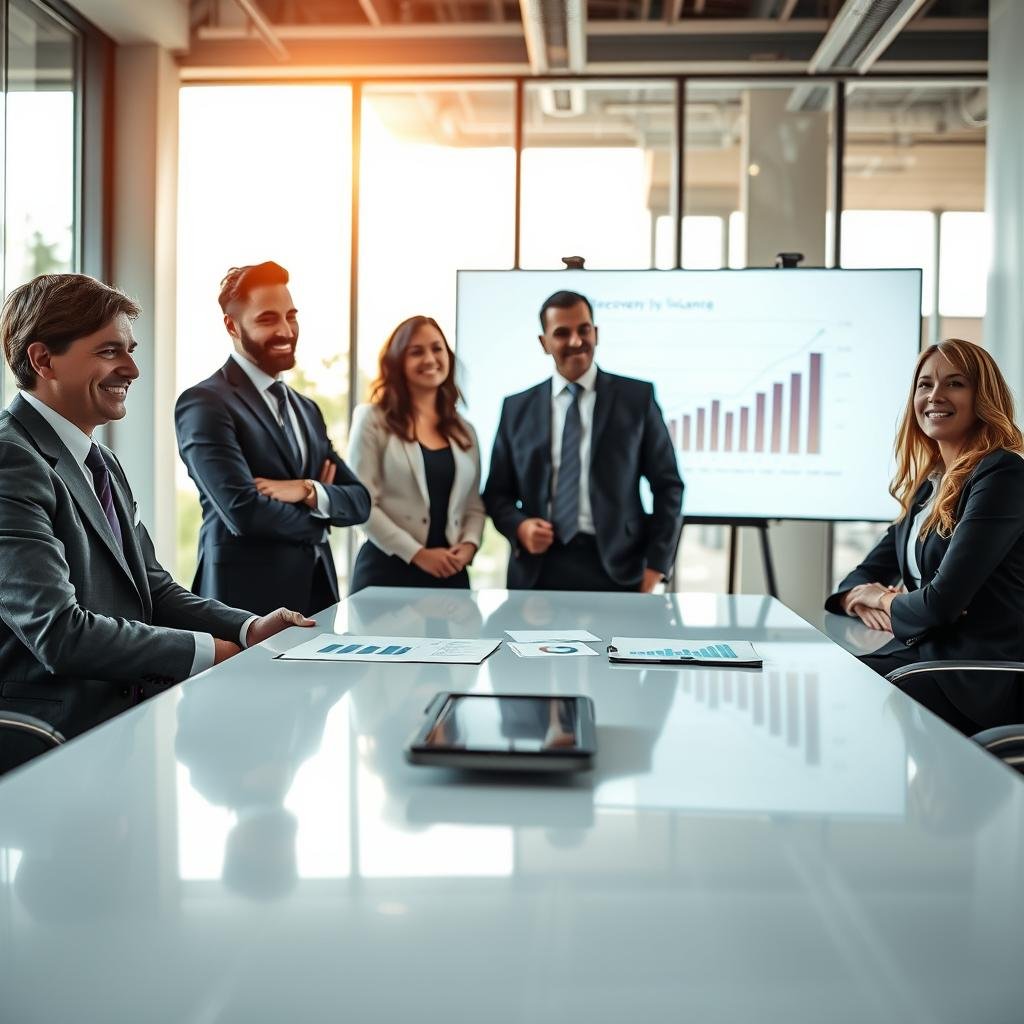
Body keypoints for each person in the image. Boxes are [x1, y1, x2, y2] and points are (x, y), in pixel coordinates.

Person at [0, 273, 313, 740]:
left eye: (130, 350)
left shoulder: (101, 461)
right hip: (48, 738)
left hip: (118, 726)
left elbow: (154, 589)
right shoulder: (11, 460)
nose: (132, 369)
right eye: (109, 351)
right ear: (43, 359)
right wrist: (213, 652)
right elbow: (59, 633)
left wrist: (249, 629)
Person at [825, 338, 1024, 734]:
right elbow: (859, 577)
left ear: (983, 397)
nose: (935, 395)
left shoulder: (1003, 475)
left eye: (955, 383)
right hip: (927, 657)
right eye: (924, 384)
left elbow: (938, 606)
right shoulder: (929, 485)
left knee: (837, 694)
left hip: (977, 677)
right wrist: (859, 597)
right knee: (822, 674)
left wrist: (884, 597)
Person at [175, 261, 370, 616]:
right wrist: (321, 517)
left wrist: (308, 490)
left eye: (291, 316)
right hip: (243, 607)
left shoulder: (306, 408)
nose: (286, 330)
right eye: (268, 319)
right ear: (232, 325)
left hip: (318, 599)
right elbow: (244, 512)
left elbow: (359, 501)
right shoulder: (204, 403)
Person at [483, 289, 683, 592]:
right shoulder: (516, 408)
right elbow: (497, 494)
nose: (576, 341)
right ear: (544, 343)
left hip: (620, 569)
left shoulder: (636, 399)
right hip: (538, 573)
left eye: (584, 330)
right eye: (562, 333)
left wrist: (657, 566)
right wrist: (520, 527)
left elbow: (668, 486)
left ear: (596, 333)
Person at [347, 316, 486, 592]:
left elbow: (473, 506)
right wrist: (418, 554)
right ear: (398, 361)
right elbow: (361, 505)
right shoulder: (372, 419)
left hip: (451, 574)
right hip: (387, 572)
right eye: (416, 351)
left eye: (437, 348)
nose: (430, 358)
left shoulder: (465, 430)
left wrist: (469, 544)